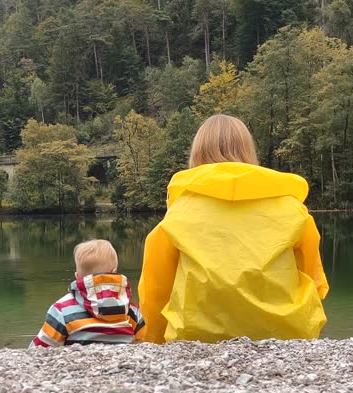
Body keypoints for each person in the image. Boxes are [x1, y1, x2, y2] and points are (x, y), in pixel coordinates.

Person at [137, 114, 329, 344]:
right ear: (249, 151)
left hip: (195, 336)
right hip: (287, 334)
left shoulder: (179, 213)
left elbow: (156, 289)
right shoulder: (292, 209)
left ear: (196, 154)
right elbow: (315, 281)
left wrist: (153, 340)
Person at [30, 239, 145, 347]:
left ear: (77, 276)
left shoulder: (62, 309)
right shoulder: (130, 309)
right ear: (114, 272)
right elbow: (144, 340)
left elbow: (40, 347)